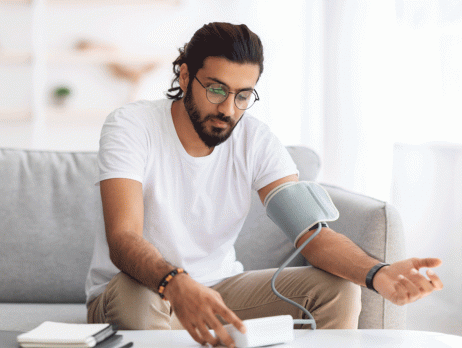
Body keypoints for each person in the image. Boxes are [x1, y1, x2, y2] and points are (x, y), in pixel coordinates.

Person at [85, 22, 443, 348]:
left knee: (337, 289)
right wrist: (176, 284)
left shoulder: (256, 141)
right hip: (138, 288)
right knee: (143, 295)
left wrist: (377, 273)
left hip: (218, 287)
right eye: (215, 89)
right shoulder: (131, 126)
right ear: (184, 75)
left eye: (243, 95)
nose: (228, 109)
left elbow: (312, 235)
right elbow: (123, 238)